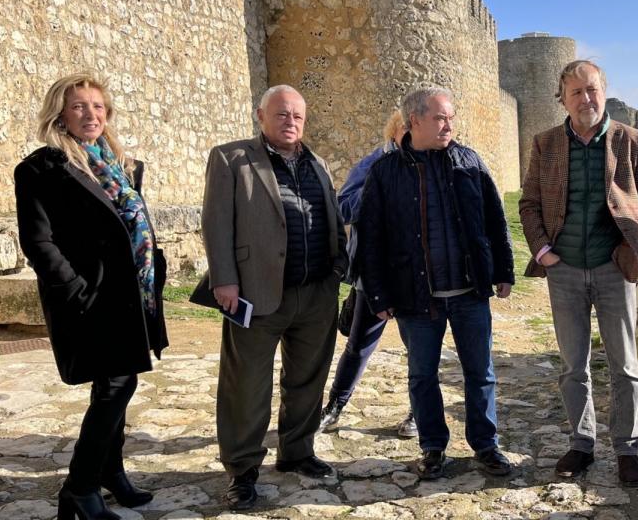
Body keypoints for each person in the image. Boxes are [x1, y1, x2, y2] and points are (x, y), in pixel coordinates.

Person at [15, 73, 168, 520]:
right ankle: (80, 488)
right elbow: (39, 242)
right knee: (117, 386)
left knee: (115, 384)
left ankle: (110, 473)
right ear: (59, 114)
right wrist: (76, 292)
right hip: (89, 299)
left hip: (131, 297)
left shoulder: (123, 167)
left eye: (98, 107)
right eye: (79, 106)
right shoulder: (40, 169)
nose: (90, 114)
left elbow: (134, 225)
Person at [201, 85, 348, 510]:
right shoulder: (231, 158)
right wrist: (223, 280)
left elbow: (333, 219)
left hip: (316, 292)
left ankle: (297, 452)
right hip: (254, 293)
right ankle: (242, 470)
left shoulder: (317, 163)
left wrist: (337, 271)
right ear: (260, 115)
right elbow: (216, 223)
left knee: (307, 379)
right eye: (282, 114)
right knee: (245, 385)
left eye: (298, 116)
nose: (291, 122)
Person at [357, 86, 515, 480]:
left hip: (468, 293)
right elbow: (371, 236)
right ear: (415, 121)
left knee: (480, 372)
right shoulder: (385, 172)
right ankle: (432, 447)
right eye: (440, 118)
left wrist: (503, 271)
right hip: (416, 297)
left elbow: (495, 218)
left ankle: (486, 445)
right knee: (422, 375)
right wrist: (377, 292)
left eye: (451, 117)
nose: (449, 125)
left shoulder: (469, 162)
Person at [518, 60, 638, 488]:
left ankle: (627, 448)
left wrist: (635, 250)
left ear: (603, 90)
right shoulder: (545, 144)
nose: (586, 99)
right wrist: (543, 250)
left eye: (592, 89)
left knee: (626, 366)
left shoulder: (631, 140)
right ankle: (582, 443)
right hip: (564, 272)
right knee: (572, 365)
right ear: (563, 97)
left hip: (613, 270)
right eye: (576, 92)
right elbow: (529, 205)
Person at [319, 110, 417, 437]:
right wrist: (379, 189)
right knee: (359, 345)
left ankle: (419, 412)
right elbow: (343, 206)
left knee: (419, 348)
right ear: (396, 131)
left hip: (418, 275)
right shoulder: (373, 163)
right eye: (409, 127)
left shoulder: (431, 164)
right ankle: (334, 407)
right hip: (375, 273)